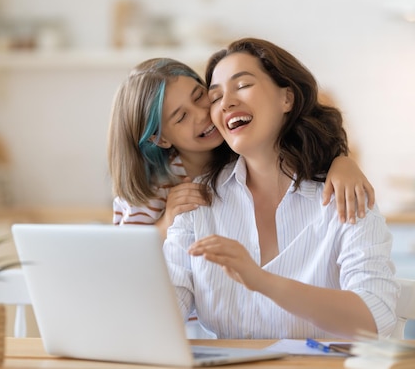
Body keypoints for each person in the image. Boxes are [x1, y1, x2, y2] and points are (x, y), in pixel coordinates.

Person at [163, 38, 398, 339]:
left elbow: (376, 317)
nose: (227, 102)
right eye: (216, 96)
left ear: (286, 98)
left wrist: (262, 280)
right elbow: (169, 306)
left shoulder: (343, 194)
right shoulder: (199, 202)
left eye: (243, 85)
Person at [107, 58, 375, 238]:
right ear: (160, 139)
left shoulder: (243, 150)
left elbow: (304, 145)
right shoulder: (150, 189)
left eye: (200, 96)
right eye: (181, 117)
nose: (202, 114)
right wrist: (165, 224)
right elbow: (126, 267)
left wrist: (342, 162)